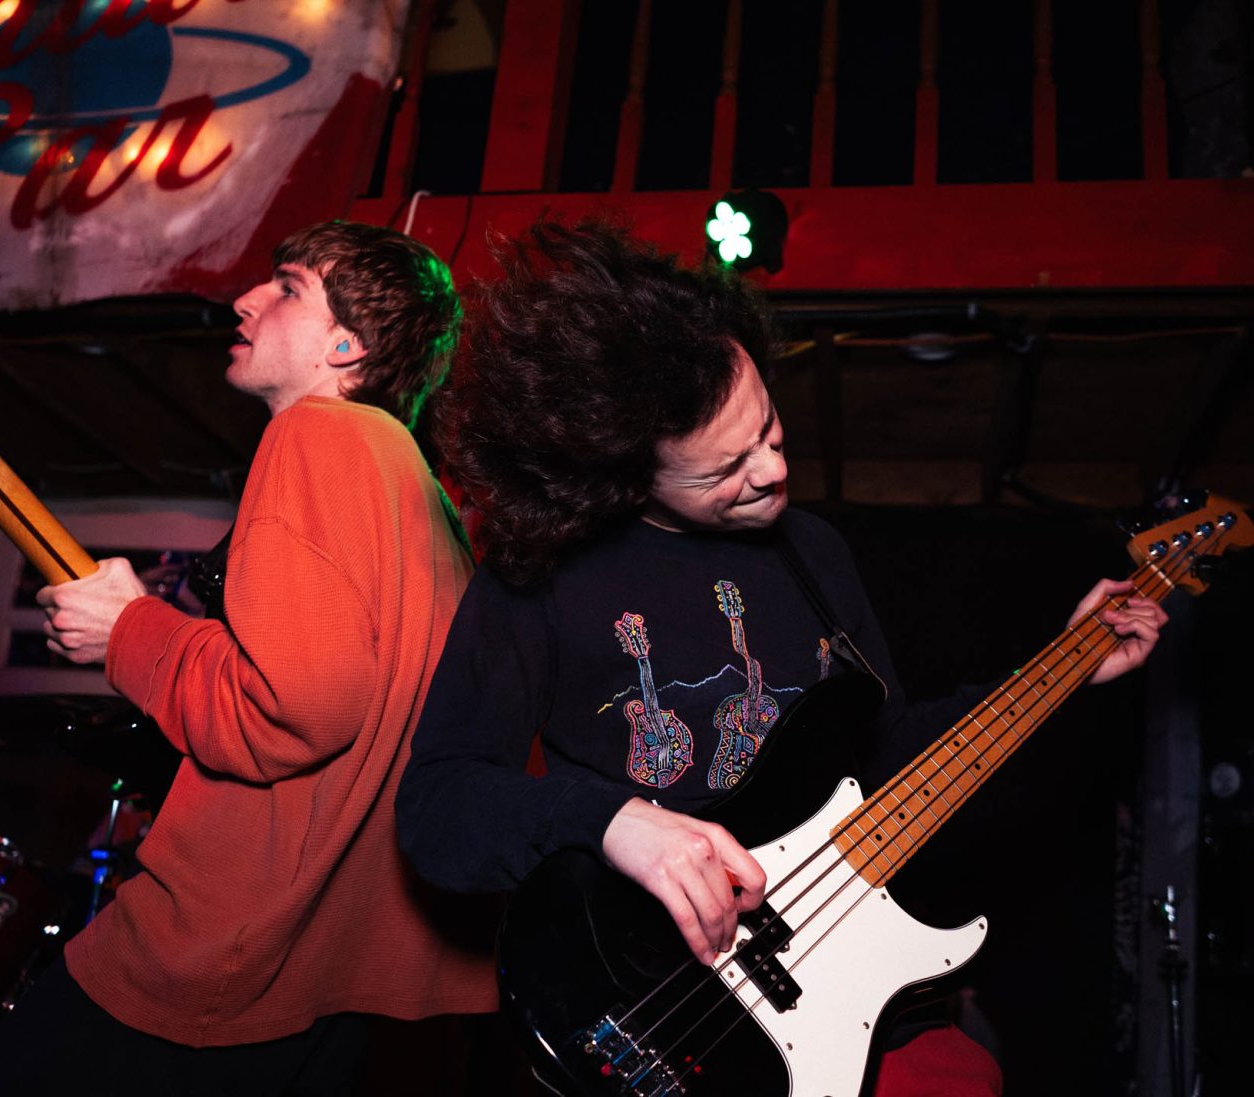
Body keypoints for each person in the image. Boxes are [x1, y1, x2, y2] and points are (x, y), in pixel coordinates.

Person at [394, 222, 1168, 1094]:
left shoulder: (815, 552)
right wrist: (613, 822)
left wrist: (1065, 666)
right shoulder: (545, 576)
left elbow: (884, 753)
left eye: (769, 428)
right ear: (626, 472)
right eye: (725, 467)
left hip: (838, 993)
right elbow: (438, 803)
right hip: (645, 998)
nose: (770, 468)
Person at [0, 221, 496, 1097]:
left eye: (286, 287)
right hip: (332, 984)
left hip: (221, 960)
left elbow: (294, 706)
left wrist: (130, 629)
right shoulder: (423, 496)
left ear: (346, 344)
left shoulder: (316, 432)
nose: (244, 298)